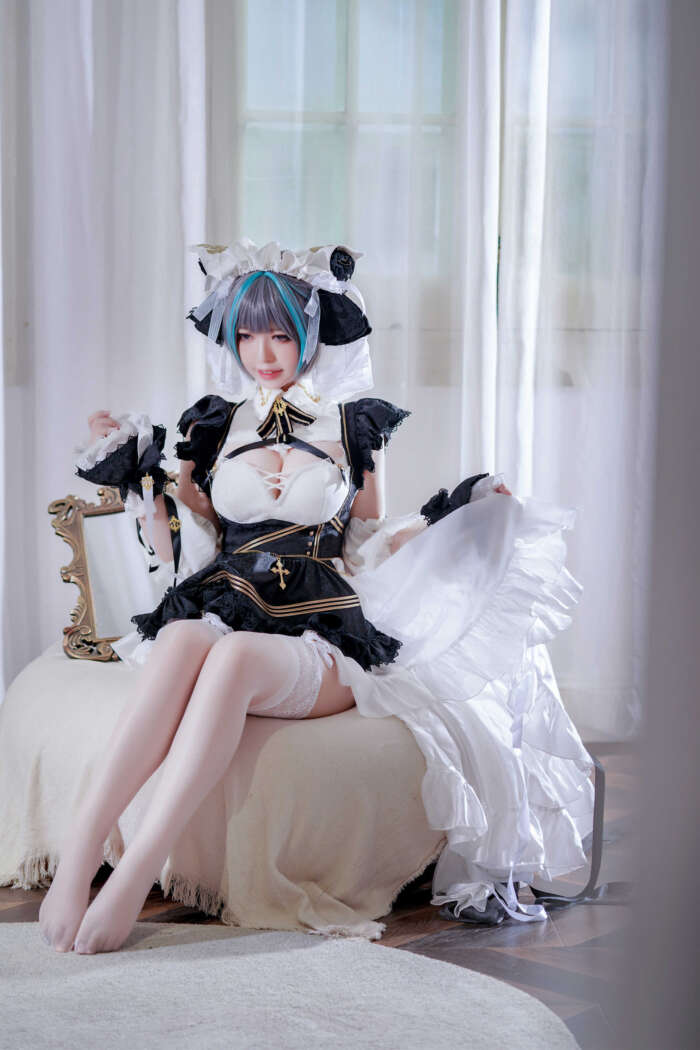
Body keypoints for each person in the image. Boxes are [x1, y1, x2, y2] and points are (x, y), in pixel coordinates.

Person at [39, 239, 594, 955]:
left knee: (234, 658)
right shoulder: (214, 424)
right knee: (181, 638)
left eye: (279, 334)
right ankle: (80, 855)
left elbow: (364, 543)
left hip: (319, 628)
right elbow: (187, 543)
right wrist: (139, 477)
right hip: (228, 594)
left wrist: (450, 516)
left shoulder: (353, 424)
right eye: (247, 335)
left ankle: (136, 869)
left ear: (310, 334)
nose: (263, 353)